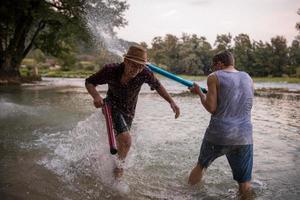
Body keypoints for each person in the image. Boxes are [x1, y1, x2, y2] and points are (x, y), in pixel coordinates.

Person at [85, 45, 180, 179]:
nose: (137, 69)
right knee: (127, 141)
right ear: (126, 61)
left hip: (129, 112)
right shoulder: (110, 70)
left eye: (140, 66)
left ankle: (98, 161)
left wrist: (171, 102)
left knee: (121, 145)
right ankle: (118, 173)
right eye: (134, 65)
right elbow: (89, 82)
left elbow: (158, 86)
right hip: (111, 107)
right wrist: (96, 96)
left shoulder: (145, 72)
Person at [188, 51, 254, 197]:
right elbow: (245, 104)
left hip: (219, 134)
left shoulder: (214, 77)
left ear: (219, 63)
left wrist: (199, 93)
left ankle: (187, 194)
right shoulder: (248, 78)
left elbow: (212, 108)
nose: (212, 69)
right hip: (244, 136)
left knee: (201, 166)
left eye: (213, 65)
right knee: (244, 182)